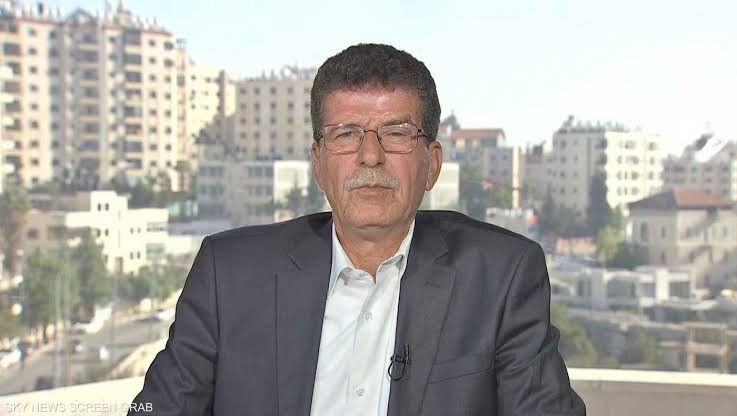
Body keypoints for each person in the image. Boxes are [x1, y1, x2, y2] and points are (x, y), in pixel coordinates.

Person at [129, 43, 586, 415]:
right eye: (346, 134)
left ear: (432, 164)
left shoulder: (502, 277)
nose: (370, 156)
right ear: (318, 164)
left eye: (396, 133)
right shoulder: (228, 275)